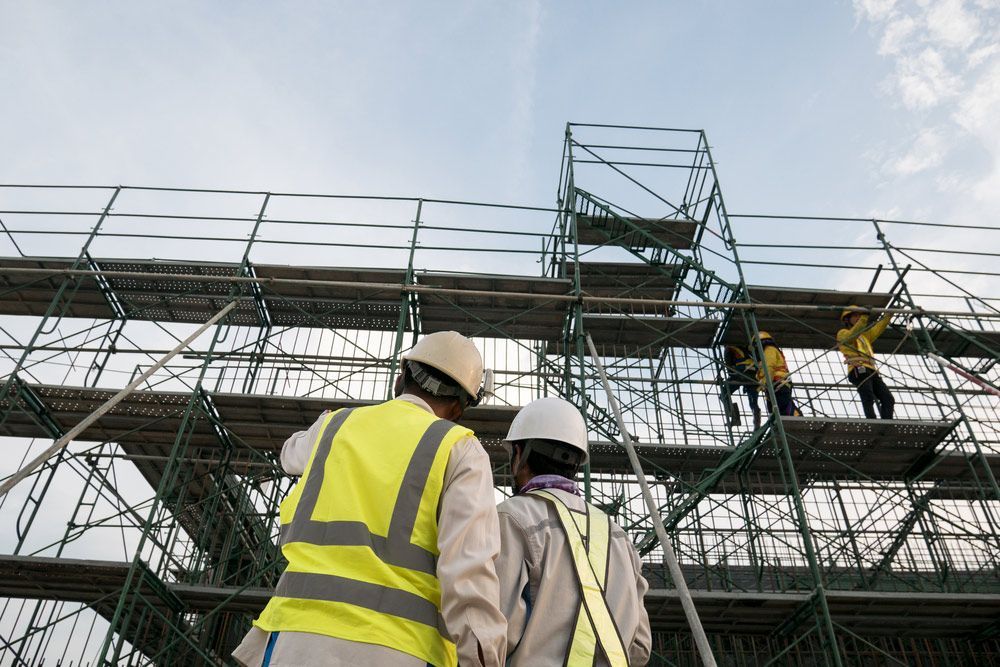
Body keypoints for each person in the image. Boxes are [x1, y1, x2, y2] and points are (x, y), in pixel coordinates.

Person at [233, 331, 507, 667]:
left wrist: (326, 422)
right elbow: (469, 575)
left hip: (294, 639)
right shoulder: (460, 449)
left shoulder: (336, 426)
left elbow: (290, 455)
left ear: (402, 375)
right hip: (401, 649)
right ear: (459, 407)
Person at [495, 397, 651, 666]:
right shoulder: (619, 538)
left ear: (519, 454)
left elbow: (496, 631)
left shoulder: (512, 517)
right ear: (577, 463)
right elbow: (639, 647)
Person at [838, 306, 895, 419]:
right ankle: (872, 421)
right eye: (855, 316)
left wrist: (888, 315)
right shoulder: (842, 333)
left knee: (888, 399)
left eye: (859, 316)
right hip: (857, 368)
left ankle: (887, 423)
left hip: (872, 371)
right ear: (846, 319)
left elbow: (878, 329)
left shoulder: (864, 336)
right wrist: (864, 317)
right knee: (867, 396)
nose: (858, 318)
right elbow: (852, 336)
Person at [752, 331, 801, 417]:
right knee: (777, 409)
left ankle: (799, 418)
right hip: (777, 383)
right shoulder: (771, 350)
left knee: (782, 407)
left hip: (777, 383)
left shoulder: (769, 350)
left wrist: (765, 382)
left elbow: (769, 367)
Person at [722, 344, 761, 428]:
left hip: (741, 371)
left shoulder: (728, 348)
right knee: (753, 401)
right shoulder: (746, 348)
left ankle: (734, 417)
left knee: (724, 393)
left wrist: (731, 379)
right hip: (755, 374)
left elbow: (729, 369)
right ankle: (757, 424)